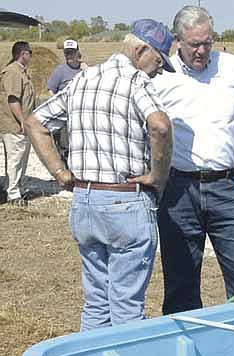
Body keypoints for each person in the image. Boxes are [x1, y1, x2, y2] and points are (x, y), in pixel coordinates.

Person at [23, 20, 174, 330]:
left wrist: (61, 173)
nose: (159, 70)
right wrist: (158, 176)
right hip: (125, 202)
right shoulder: (136, 82)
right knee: (126, 306)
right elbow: (160, 125)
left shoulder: (81, 79)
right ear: (140, 50)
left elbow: (34, 123)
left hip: (85, 203)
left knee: (96, 302)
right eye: (158, 61)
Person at [152, 6, 234, 315]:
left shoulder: (232, 67)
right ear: (178, 40)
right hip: (177, 190)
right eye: (194, 44)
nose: (202, 50)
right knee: (180, 285)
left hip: (229, 187)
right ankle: (187, 355)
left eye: (208, 42)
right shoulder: (160, 76)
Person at [0, 41, 35, 206]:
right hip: (15, 125)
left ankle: (18, 189)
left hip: (23, 124)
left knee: (21, 158)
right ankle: (13, 194)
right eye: (30, 53)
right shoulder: (13, 72)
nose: (32, 56)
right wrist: (22, 121)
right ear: (23, 54)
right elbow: (13, 99)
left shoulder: (21, 72)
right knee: (15, 159)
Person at [47, 39, 86, 163]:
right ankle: (66, 172)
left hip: (81, 115)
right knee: (65, 146)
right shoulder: (60, 70)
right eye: (66, 53)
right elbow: (51, 90)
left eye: (71, 53)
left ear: (77, 53)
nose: (68, 56)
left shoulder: (84, 70)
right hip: (64, 116)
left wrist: (87, 69)